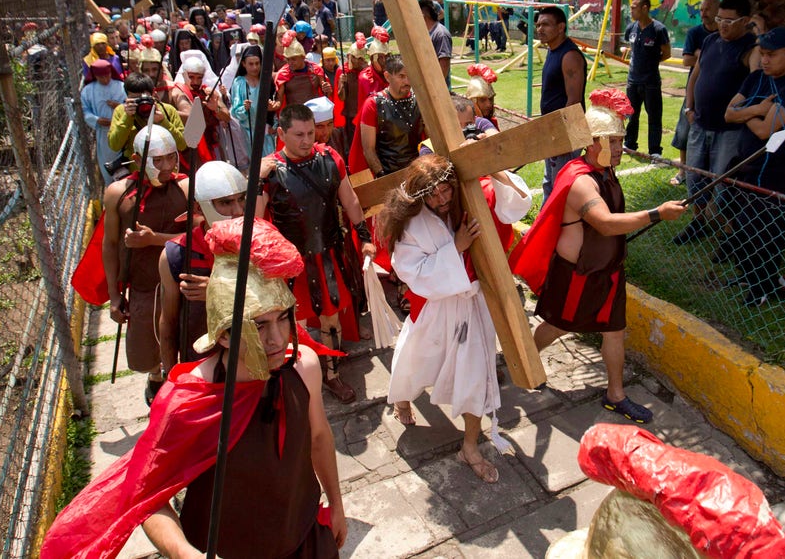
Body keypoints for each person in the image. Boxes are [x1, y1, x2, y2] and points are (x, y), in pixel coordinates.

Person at [44, 217, 346, 559]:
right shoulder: (186, 402)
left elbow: (319, 437)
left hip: (305, 538)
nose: (277, 339)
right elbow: (148, 497)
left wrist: (335, 503)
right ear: (223, 333)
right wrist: (184, 553)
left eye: (282, 318)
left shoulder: (303, 367)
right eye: (259, 325)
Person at [511, 89, 687, 424]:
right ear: (591, 142)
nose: (621, 149)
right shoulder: (580, 181)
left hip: (608, 272)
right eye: (613, 142)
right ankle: (523, 360)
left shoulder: (604, 170)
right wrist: (657, 214)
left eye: (621, 141)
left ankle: (615, 395)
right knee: (559, 325)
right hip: (578, 274)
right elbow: (605, 224)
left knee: (614, 330)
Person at [377, 155, 533, 483]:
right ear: (420, 195)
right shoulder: (412, 222)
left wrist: (496, 170)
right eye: (433, 195)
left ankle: (470, 446)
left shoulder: (472, 199)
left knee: (477, 373)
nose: (442, 199)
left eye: (446, 190)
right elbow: (409, 269)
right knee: (416, 359)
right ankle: (403, 397)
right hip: (437, 306)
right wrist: (456, 247)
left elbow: (515, 206)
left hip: (473, 302)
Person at [257, 103, 376, 404]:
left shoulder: (329, 158)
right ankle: (293, 376)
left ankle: (332, 375)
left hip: (327, 253)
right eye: (299, 134)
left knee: (330, 318)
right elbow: (257, 222)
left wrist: (364, 237)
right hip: (289, 263)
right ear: (281, 133)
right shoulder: (269, 170)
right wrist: (257, 181)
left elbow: (349, 200)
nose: (307, 140)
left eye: (311, 132)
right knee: (288, 323)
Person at [720, 27, 785, 306]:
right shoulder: (756, 78)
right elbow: (727, 113)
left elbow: (764, 131)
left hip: (772, 172)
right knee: (739, 229)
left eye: (772, 55)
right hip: (743, 165)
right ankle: (754, 278)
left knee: (764, 236)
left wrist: (746, 112)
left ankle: (763, 287)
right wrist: (757, 109)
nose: (765, 60)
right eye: (762, 53)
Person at [102, 124, 191, 402]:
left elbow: (199, 236)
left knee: (185, 339)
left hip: (182, 282)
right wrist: (114, 296)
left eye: (171, 157)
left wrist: (154, 240)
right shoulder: (117, 193)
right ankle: (156, 376)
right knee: (146, 351)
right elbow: (111, 244)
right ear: (138, 161)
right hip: (143, 285)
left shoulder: (187, 186)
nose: (166, 166)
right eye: (157, 160)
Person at [677, 0, 760, 244]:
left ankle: (728, 231)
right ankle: (699, 220)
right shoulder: (711, 40)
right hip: (699, 124)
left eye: (729, 21)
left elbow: (757, 81)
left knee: (722, 181)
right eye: (719, 19)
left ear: (745, 21)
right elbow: (695, 77)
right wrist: (689, 109)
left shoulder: (751, 49)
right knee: (694, 176)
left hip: (728, 131)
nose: (722, 25)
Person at [157, 161, 250, 381]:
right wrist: (172, 381)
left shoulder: (262, 242)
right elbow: (168, 324)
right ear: (199, 208)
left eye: (241, 199)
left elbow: (280, 302)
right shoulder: (176, 255)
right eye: (226, 203)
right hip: (202, 369)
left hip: (253, 362)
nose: (237, 211)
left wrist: (218, 290)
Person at [535, 5, 586, 204]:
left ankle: (559, 228)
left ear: (561, 27)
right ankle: (546, 224)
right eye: (538, 24)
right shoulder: (553, 50)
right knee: (550, 182)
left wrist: (564, 137)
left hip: (567, 130)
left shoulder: (569, 55)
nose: (540, 29)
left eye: (545, 24)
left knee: (561, 186)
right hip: (553, 128)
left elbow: (573, 101)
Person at [671, 0, 720, 186]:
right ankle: (683, 170)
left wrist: (701, 54)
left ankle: (710, 174)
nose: (703, 13)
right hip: (696, 90)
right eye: (701, 9)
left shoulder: (724, 37)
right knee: (684, 131)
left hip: (716, 94)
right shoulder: (695, 33)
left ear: (718, 11)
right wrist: (702, 56)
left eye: (707, 9)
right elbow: (687, 60)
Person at [623, 0, 672, 155]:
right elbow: (631, 47)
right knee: (631, 115)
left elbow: (667, 53)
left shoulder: (658, 29)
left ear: (645, 8)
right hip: (633, 81)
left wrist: (651, 62)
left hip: (650, 82)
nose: (631, 11)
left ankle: (655, 151)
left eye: (634, 7)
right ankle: (629, 145)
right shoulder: (631, 28)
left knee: (654, 117)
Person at [359, 54, 424, 177]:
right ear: (387, 76)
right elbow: (368, 150)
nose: (407, 81)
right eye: (402, 76)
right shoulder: (373, 104)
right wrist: (382, 176)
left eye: (409, 76)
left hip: (418, 171)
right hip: (389, 173)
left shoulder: (419, 100)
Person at [108, 73, 188, 170]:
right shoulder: (121, 112)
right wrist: (127, 117)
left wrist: (163, 122)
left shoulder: (168, 111)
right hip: (137, 173)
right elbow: (114, 145)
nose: (140, 103)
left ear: (153, 93)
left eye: (143, 98)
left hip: (166, 171)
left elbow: (182, 145)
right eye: (134, 99)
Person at [80, 59, 126, 184]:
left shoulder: (121, 87)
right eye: (101, 77)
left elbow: (129, 104)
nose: (105, 79)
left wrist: (119, 107)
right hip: (104, 133)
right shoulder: (88, 91)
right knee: (108, 163)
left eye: (107, 75)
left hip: (123, 129)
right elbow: (85, 111)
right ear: (95, 75)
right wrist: (96, 120)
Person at [229, 44, 275, 156]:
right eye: (251, 64)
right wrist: (244, 109)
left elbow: (275, 103)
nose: (254, 67)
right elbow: (235, 111)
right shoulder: (239, 83)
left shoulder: (266, 81)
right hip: (246, 133)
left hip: (266, 131)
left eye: (257, 63)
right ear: (243, 64)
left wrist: (274, 124)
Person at [420, 0, 454, 86]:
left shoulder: (440, 34)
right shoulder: (426, 32)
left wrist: (437, 86)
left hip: (436, 89)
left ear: (422, 15)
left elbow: (444, 62)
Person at [464, 63, 499, 130]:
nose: (489, 105)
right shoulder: (466, 126)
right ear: (473, 101)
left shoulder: (493, 122)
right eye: (482, 100)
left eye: (491, 99)